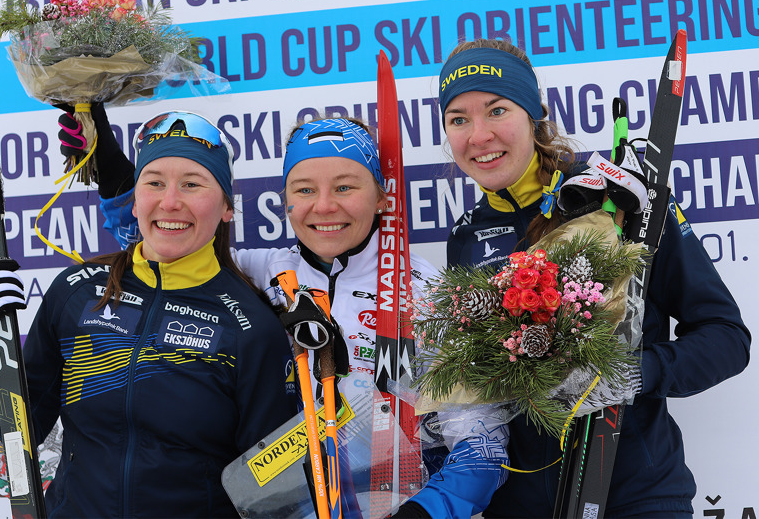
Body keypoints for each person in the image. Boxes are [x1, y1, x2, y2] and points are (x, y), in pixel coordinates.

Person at [62, 109, 511, 518]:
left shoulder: (428, 293)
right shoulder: (259, 275)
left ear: (380, 197)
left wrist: (423, 515)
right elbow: (166, 245)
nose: (324, 206)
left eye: (345, 187)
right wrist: (114, 171)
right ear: (286, 201)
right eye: (304, 189)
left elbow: (482, 447)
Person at [437, 38, 751, 518]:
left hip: (634, 496)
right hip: (521, 505)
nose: (478, 135)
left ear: (534, 113)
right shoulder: (466, 236)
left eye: (496, 110)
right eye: (458, 119)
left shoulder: (621, 200)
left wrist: (631, 374)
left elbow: (726, 338)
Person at [0, 111, 298, 518]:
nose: (170, 201)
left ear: (227, 206)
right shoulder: (79, 291)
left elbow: (275, 492)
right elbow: (20, 425)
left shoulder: (249, 325)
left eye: (192, 184)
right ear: (135, 200)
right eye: (153, 182)